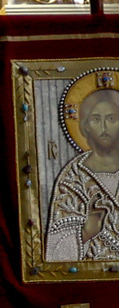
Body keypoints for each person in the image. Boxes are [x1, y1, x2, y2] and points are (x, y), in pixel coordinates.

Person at [46, 81, 119, 263]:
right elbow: (54, 253)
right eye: (96, 119)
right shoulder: (72, 178)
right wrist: (86, 231)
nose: (103, 127)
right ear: (85, 126)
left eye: (111, 119)